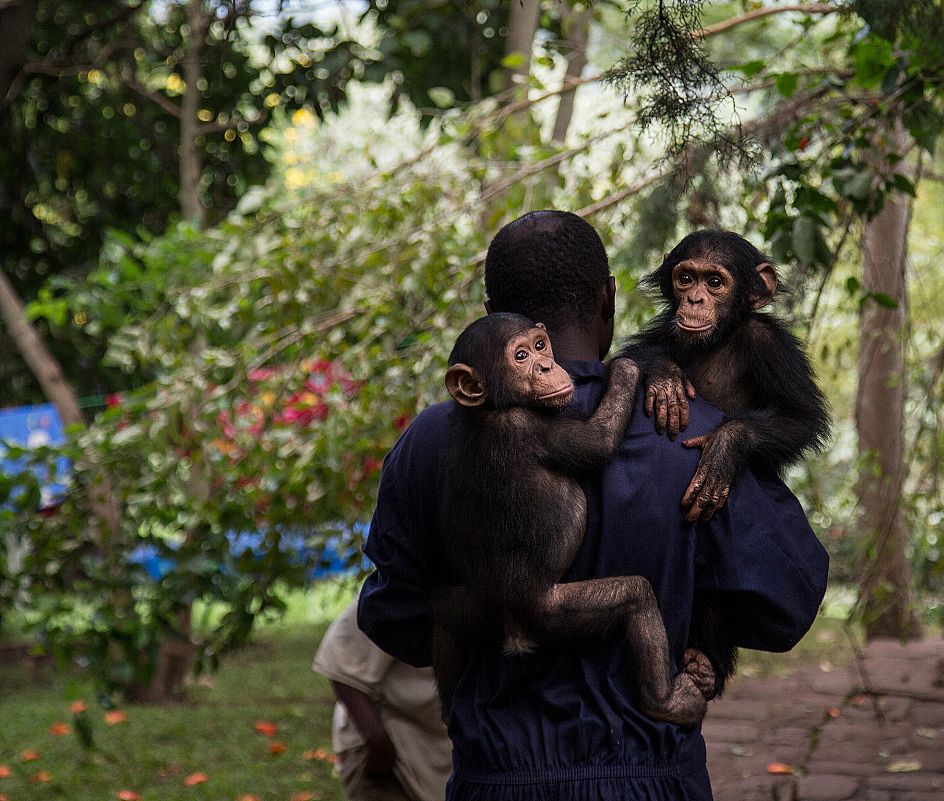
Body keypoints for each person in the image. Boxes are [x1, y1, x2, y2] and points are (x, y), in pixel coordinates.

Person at [357, 210, 828, 800]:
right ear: (609, 300)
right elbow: (785, 607)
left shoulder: (430, 441)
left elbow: (394, 621)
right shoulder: (693, 435)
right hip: (651, 778)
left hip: (495, 777)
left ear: (492, 310)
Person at [313, 600, 452, 801]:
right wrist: (377, 743)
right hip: (392, 754)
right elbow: (340, 660)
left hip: (441, 754)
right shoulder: (399, 587)